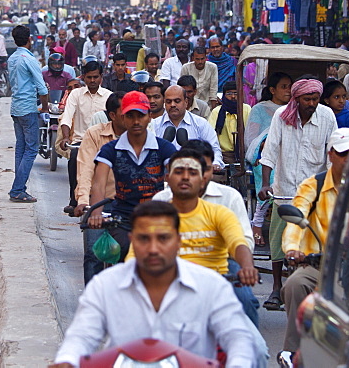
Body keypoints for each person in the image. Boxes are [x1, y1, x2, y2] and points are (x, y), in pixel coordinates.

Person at [51, 201, 262, 368]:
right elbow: (82, 335)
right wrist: (68, 359)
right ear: (133, 240)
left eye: (163, 239)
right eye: (144, 239)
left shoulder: (211, 286)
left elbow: (238, 338)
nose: (153, 248)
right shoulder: (105, 285)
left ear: (178, 241)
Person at [154, 141, 261, 328]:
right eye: (181, 172)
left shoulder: (226, 201)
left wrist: (247, 266)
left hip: (223, 264)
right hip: (174, 267)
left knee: (245, 303)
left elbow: (240, 240)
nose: (189, 178)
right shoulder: (160, 202)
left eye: (200, 171)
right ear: (169, 176)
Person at [258, 78, 337, 312]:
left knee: (317, 241)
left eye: (314, 99)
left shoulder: (327, 116)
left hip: (315, 192)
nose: (311, 103)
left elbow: (331, 155)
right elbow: (270, 150)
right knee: (278, 241)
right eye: (307, 99)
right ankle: (275, 287)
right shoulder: (282, 115)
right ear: (296, 99)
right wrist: (265, 184)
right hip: (284, 190)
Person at [278, 127, 349, 367]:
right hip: (319, 265)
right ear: (330, 154)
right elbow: (297, 217)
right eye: (343, 154)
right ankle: (292, 350)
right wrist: (292, 248)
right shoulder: (313, 185)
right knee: (295, 284)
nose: (348, 159)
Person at [88, 91, 179, 257]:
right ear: (123, 118)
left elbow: (177, 180)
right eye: (130, 116)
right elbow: (99, 184)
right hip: (122, 219)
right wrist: (96, 215)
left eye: (141, 115)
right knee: (102, 253)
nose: (136, 121)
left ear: (150, 116)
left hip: (158, 218)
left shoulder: (165, 148)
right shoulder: (110, 150)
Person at [72, 91, 123, 283]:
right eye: (126, 113)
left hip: (129, 204)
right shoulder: (95, 134)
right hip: (99, 204)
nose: (133, 119)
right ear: (113, 115)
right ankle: (91, 305)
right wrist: (84, 202)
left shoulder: (143, 137)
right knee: (94, 254)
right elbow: (85, 170)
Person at [59, 61, 108, 213]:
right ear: (83, 78)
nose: (92, 81)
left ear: (101, 77)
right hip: (81, 142)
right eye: (89, 77)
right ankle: (74, 200)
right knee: (73, 158)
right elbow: (67, 117)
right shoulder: (75, 94)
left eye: (95, 77)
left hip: (104, 142)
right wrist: (66, 137)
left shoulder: (109, 96)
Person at [7, 24, 49, 203]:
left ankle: (19, 187)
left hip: (16, 107)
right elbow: (42, 88)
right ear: (29, 39)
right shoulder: (29, 59)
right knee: (31, 149)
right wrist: (46, 108)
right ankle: (17, 189)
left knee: (21, 148)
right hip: (27, 108)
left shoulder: (12, 58)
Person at [151, 85, 223, 167]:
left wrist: (215, 164)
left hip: (194, 173)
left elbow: (214, 149)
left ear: (186, 102)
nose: (172, 105)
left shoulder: (200, 123)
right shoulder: (154, 125)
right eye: (168, 102)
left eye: (177, 101)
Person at [209, 81, 247, 165]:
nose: (233, 96)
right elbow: (211, 134)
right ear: (224, 95)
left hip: (244, 155)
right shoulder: (217, 111)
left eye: (236, 93)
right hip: (223, 156)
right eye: (229, 93)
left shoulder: (247, 109)